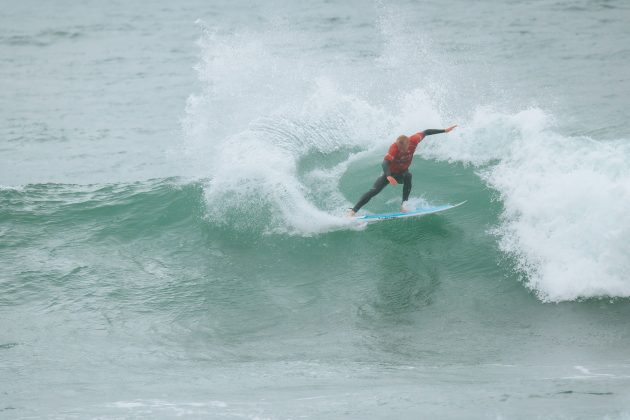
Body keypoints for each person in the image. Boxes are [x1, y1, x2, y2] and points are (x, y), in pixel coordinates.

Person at [348, 125, 457, 216]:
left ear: (408, 143)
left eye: (401, 148)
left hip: (402, 173)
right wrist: (388, 176)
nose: (399, 150)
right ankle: (353, 211)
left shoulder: (414, 139)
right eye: (398, 148)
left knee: (408, 176)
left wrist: (444, 131)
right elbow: (385, 163)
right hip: (390, 172)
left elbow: (426, 132)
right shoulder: (394, 147)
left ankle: (404, 205)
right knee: (373, 191)